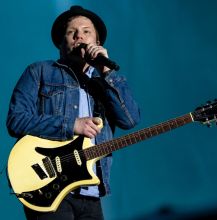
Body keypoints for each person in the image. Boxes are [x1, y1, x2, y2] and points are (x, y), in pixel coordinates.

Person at [6, 5, 140, 220]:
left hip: (91, 192)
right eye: (71, 32)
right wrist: (71, 125)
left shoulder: (105, 83)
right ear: (61, 44)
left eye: (86, 31)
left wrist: (107, 72)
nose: (79, 35)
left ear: (97, 43)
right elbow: (16, 120)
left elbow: (130, 120)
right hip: (49, 186)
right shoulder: (39, 71)